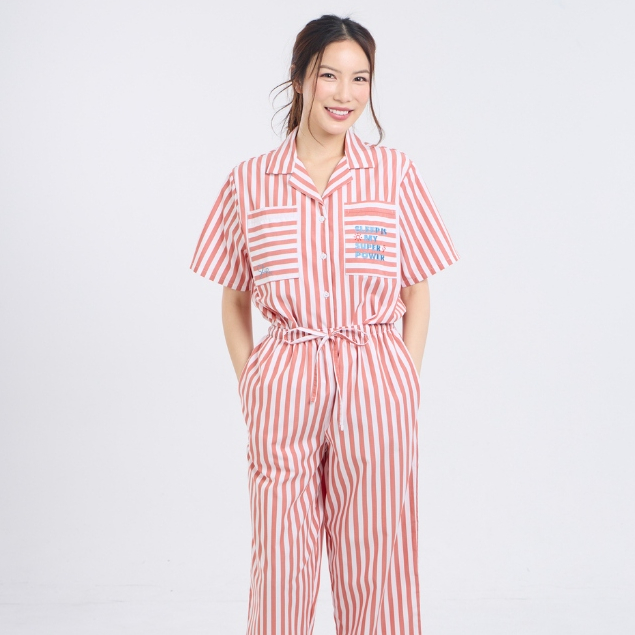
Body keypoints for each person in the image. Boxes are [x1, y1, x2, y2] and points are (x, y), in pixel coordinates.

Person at [190, 14, 459, 635]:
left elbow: (418, 290)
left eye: (360, 78)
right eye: (329, 75)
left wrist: (404, 377)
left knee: (377, 554)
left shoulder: (392, 175)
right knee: (281, 555)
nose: (346, 93)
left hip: (376, 375)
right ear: (300, 78)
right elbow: (233, 297)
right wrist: (253, 380)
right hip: (285, 376)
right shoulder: (250, 182)